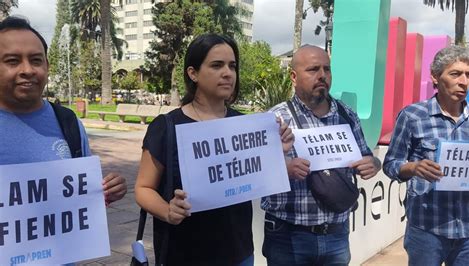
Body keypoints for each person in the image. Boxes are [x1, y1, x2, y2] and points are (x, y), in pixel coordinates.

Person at [134, 33, 294, 266]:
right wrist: (167, 210)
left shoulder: (245, 125)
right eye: (217, 65)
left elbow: (256, 178)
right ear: (193, 73)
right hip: (184, 254)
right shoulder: (166, 127)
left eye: (232, 66)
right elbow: (143, 188)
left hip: (239, 254)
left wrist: (276, 153)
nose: (228, 73)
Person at [261, 45, 381, 266]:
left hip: (336, 235)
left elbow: (366, 155)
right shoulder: (274, 119)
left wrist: (373, 163)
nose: (322, 76)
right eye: (313, 69)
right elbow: (256, 174)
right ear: (294, 77)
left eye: (327, 69)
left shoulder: (347, 115)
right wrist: (284, 169)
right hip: (287, 236)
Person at [0, 16, 126, 205]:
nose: (27, 70)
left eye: (36, 60)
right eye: (12, 61)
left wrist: (106, 190)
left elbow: (80, 199)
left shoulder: (68, 122)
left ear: (47, 66)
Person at [383, 45, 469, 265]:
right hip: (426, 228)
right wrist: (413, 168)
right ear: (435, 77)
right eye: (455, 74)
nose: (464, 81)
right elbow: (390, 164)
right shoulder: (413, 116)